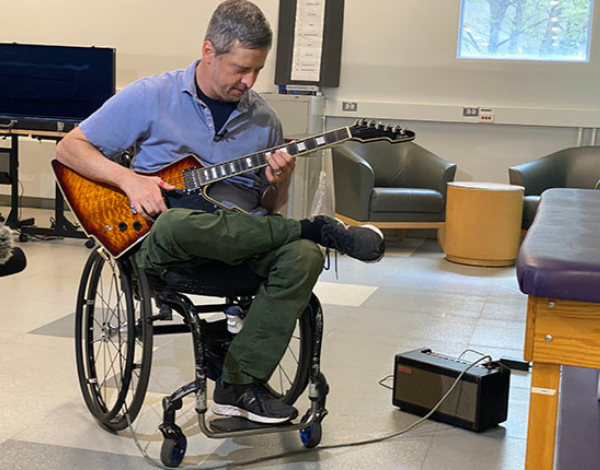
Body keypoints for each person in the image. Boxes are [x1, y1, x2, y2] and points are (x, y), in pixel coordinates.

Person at [56, 0, 384, 425]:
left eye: (257, 71)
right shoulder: (152, 96)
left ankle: (238, 384)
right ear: (209, 52)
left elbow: (268, 207)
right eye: (239, 69)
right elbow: (70, 148)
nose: (248, 81)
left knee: (303, 256)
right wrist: (129, 180)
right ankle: (314, 227)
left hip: (243, 241)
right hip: (168, 244)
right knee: (177, 223)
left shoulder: (264, 119)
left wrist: (278, 183)